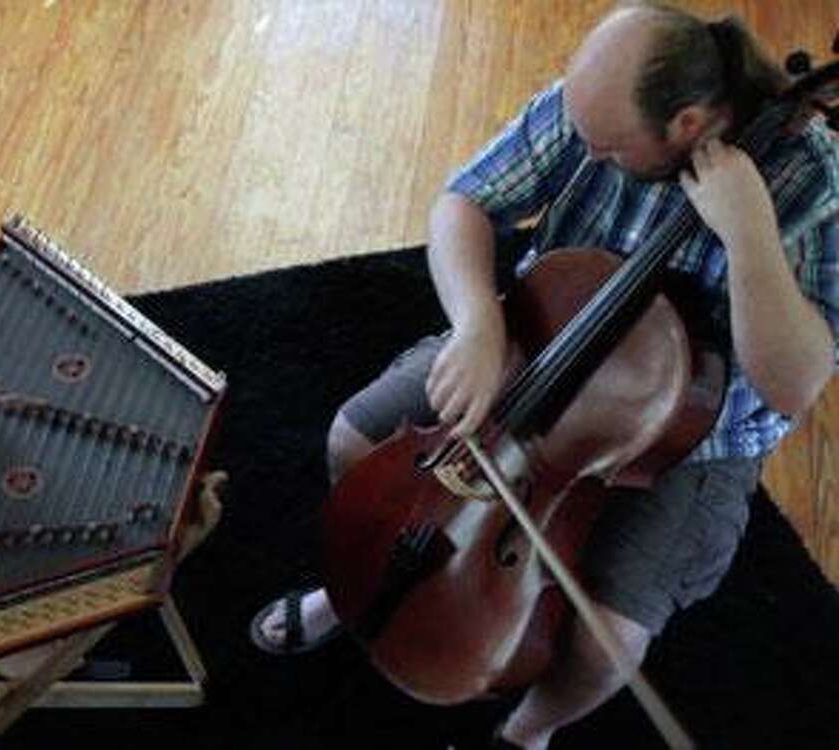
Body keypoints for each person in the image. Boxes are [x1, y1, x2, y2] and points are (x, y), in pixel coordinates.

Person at [249, 3, 839, 748]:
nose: (587, 150)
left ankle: (529, 732)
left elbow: (792, 383)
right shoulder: (592, 109)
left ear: (687, 124)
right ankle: (357, 593)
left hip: (699, 434)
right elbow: (463, 201)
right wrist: (477, 325)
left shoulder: (820, 189)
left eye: (608, 149)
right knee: (356, 444)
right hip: (534, 345)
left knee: (608, 641)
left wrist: (749, 229)